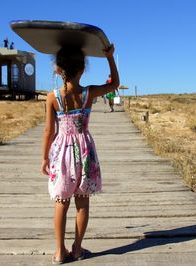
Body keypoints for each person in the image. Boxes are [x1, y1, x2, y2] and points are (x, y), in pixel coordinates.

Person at [41, 44, 119, 264]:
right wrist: (110, 58)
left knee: (61, 201)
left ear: (58, 69)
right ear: (82, 69)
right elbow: (114, 83)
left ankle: (59, 251)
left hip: (62, 154)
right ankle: (76, 249)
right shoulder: (88, 93)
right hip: (84, 151)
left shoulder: (52, 97)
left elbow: (49, 131)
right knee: (82, 203)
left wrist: (45, 157)